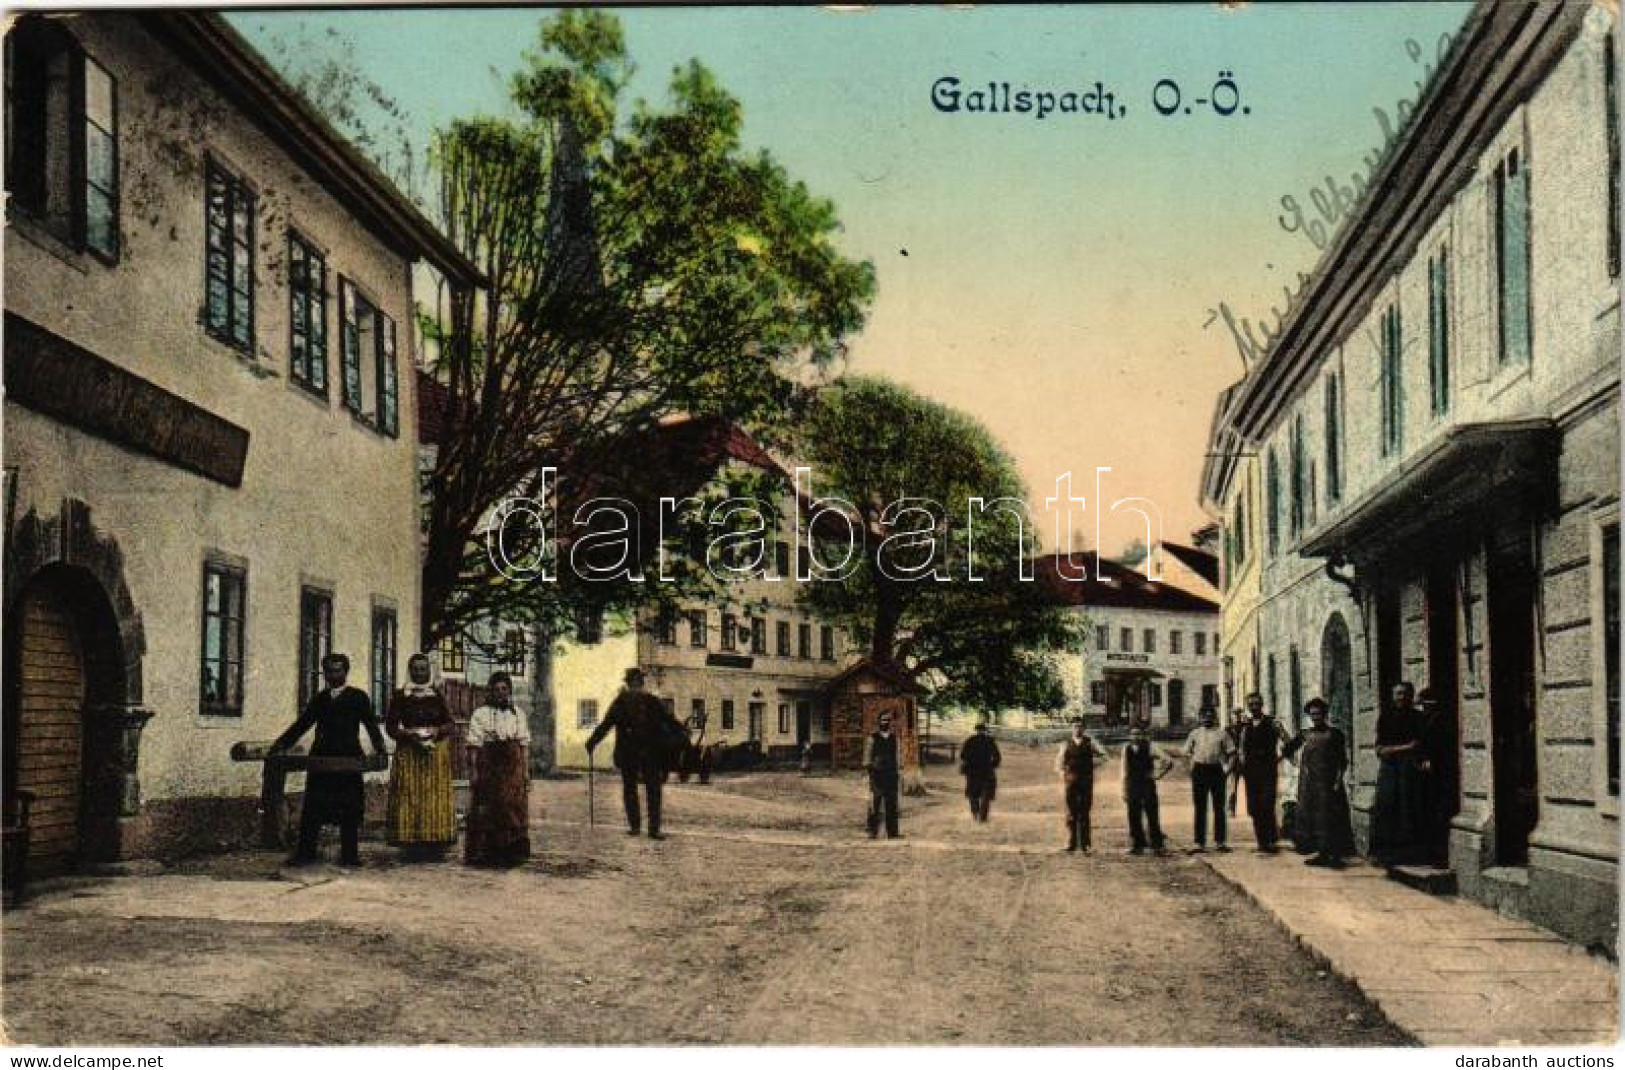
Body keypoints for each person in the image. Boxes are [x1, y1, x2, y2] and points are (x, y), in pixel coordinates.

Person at [272, 653, 388, 867]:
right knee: (313, 807)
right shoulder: (320, 699)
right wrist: (281, 743)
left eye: (338, 670)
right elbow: (303, 724)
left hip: (348, 758)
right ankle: (306, 853)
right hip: (322, 759)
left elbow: (371, 725)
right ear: (324, 673)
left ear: (346, 672)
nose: (334, 675)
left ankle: (349, 856)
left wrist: (380, 748)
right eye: (329, 671)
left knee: (349, 808)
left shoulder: (358, 697)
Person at [586, 668, 685, 839]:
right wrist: (682, 734)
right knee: (653, 791)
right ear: (641, 682)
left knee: (630, 789)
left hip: (628, 753)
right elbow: (670, 721)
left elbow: (606, 724)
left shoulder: (621, 701)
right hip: (651, 753)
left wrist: (592, 742)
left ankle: (635, 827)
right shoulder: (652, 701)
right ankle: (654, 829)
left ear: (628, 682)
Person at [384, 653, 457, 861]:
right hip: (409, 753)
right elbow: (390, 726)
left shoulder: (437, 695)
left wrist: (437, 731)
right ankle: (410, 844)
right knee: (409, 795)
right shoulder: (400, 695)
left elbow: (450, 724)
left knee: (433, 797)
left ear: (429, 671)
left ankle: (434, 844)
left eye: (423, 669)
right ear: (410, 670)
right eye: (415, 669)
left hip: (434, 752)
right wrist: (406, 734)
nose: (419, 673)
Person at [464, 671, 531, 866]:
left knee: (512, 806)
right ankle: (487, 853)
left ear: (509, 690)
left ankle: (511, 853)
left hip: (512, 764)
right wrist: (474, 771)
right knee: (489, 807)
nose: (501, 693)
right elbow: (474, 745)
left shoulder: (518, 714)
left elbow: (524, 744)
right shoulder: (481, 714)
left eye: (504, 689)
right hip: (489, 763)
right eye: (496, 690)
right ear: (490, 692)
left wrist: (525, 771)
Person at [1282, 697, 1354, 867]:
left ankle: (1335, 856)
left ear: (1325, 714)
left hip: (1329, 783)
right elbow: (1287, 750)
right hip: (1310, 784)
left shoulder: (1335, 734)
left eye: (1319, 713)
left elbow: (1342, 761)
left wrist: (1337, 781)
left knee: (1332, 817)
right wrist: (1296, 762)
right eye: (1312, 714)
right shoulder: (1305, 734)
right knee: (1314, 818)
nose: (1316, 717)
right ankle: (1321, 854)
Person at [1371, 681, 1425, 864]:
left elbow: (1419, 744)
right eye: (1397, 694)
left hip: (1408, 769)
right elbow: (1379, 748)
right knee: (1386, 807)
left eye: (1403, 694)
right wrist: (1404, 747)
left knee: (1407, 809)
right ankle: (1385, 854)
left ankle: (1407, 855)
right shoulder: (1385, 717)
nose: (1400, 698)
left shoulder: (1418, 718)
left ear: (1410, 696)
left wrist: (1393, 750)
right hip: (1389, 769)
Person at [1183, 706, 1236, 853]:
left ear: (1215, 717)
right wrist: (1191, 769)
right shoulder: (1194, 734)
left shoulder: (1222, 734)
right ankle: (1199, 843)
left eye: (1210, 715)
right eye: (1204, 716)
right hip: (1200, 770)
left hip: (1216, 770)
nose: (1207, 718)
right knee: (1200, 808)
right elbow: (1186, 753)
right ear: (1200, 718)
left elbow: (1232, 753)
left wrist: (1227, 770)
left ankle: (1220, 842)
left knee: (1219, 808)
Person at [1416, 687, 1458, 867]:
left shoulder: (1442, 721)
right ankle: (1431, 854)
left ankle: (1440, 856)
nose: (1424, 708)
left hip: (1442, 774)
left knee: (1439, 814)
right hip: (1428, 775)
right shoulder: (1426, 720)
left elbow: (1442, 747)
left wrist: (1430, 759)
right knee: (1430, 813)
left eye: (1426, 704)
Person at [1238, 692, 1284, 852]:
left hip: (1268, 770)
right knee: (1254, 807)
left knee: (1267, 803)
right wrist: (1243, 765)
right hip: (1251, 771)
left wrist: (1280, 757)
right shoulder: (1246, 726)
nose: (1254, 707)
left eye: (1257, 704)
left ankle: (1271, 840)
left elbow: (1286, 740)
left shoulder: (1272, 723)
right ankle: (1261, 842)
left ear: (1262, 704)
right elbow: (1242, 748)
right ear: (1248, 707)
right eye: (1251, 705)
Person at [1056, 717, 1106, 853]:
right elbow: (1059, 763)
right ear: (1072, 728)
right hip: (1071, 782)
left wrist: (1091, 765)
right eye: (1075, 726)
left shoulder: (1090, 743)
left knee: (1084, 812)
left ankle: (1085, 844)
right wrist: (1064, 775)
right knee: (1070, 812)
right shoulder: (1065, 744)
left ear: (1084, 728)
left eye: (1080, 726)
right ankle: (1070, 842)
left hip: (1086, 781)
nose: (1078, 729)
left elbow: (1104, 756)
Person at [1121, 725, 1172, 855]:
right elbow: (1123, 770)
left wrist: (1158, 774)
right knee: (1133, 815)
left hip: (1147, 784)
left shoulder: (1150, 746)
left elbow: (1167, 760)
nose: (1135, 736)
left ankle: (1157, 845)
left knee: (1151, 813)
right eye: (1133, 734)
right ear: (1129, 736)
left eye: (1138, 734)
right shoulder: (1126, 749)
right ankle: (1137, 845)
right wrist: (1123, 789)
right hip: (1132, 784)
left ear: (1143, 735)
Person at [863, 711, 904, 839]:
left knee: (892, 803)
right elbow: (867, 758)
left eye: (888, 720)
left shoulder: (894, 738)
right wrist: (870, 771)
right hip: (877, 775)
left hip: (891, 774)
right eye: (883, 720)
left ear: (890, 723)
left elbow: (898, 757)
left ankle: (893, 832)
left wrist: (899, 771)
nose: (885, 722)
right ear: (879, 722)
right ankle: (872, 831)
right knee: (875, 804)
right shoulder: (872, 738)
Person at [958, 720, 1001, 822]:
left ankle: (975, 813)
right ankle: (983, 817)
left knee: (973, 794)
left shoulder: (970, 740)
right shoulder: (990, 741)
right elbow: (997, 757)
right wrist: (992, 765)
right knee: (986, 795)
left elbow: (963, 756)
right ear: (985, 731)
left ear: (976, 730)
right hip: (986, 771)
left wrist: (969, 763)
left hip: (972, 772)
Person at [1224, 708, 1247, 816]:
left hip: (1246, 761)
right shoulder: (1226, 730)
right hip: (1233, 761)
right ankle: (1231, 809)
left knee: (1251, 786)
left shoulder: (1246, 728)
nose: (1237, 718)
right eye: (1235, 716)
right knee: (1232, 786)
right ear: (1231, 717)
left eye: (1238, 716)